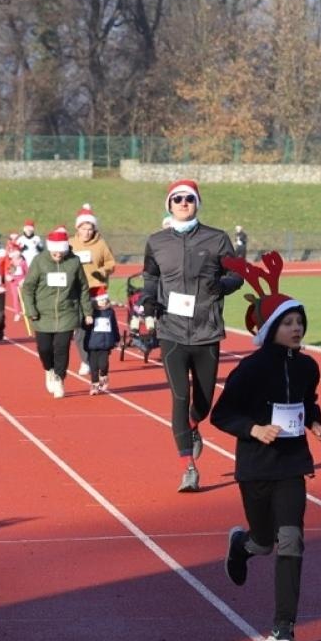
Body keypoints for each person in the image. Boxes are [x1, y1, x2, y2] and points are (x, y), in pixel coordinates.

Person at [212, 253, 321, 641]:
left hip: (292, 466)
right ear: (269, 329)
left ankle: (284, 626)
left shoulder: (308, 367)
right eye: (288, 323)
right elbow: (221, 414)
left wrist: (315, 422)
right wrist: (254, 429)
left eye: (299, 322)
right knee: (264, 541)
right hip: (255, 466)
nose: (296, 329)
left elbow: (306, 402)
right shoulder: (249, 370)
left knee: (291, 541)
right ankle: (242, 545)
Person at [142, 179, 244, 492]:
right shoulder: (157, 241)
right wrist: (148, 302)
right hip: (171, 329)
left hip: (206, 329)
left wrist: (223, 286)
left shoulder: (216, 239)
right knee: (179, 396)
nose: (183, 203)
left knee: (202, 400)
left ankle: (194, 424)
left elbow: (237, 273)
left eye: (189, 199)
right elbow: (150, 275)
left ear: (197, 203)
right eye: (177, 199)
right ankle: (188, 466)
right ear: (169, 205)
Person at [23, 226, 92, 398]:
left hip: (66, 313)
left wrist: (87, 312)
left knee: (61, 348)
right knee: (45, 349)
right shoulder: (39, 261)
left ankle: (59, 378)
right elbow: (28, 287)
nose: (58, 255)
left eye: (61, 252)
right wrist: (31, 310)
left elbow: (83, 288)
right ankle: (49, 370)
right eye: (55, 252)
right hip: (42, 314)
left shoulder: (74, 262)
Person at [70, 204, 117, 374]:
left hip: (98, 290)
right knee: (81, 329)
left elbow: (111, 263)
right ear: (78, 228)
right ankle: (85, 360)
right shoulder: (71, 244)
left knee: (99, 326)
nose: (87, 232)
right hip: (77, 291)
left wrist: (103, 271)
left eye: (90, 229)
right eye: (84, 228)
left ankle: (101, 356)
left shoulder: (101, 244)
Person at [83, 287, 121, 394]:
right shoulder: (91, 313)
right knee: (93, 367)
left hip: (105, 344)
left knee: (103, 364)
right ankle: (94, 385)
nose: (103, 302)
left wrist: (117, 338)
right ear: (95, 301)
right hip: (92, 344)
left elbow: (114, 326)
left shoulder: (110, 312)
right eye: (100, 300)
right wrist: (86, 321)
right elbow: (84, 326)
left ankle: (104, 376)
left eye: (105, 299)